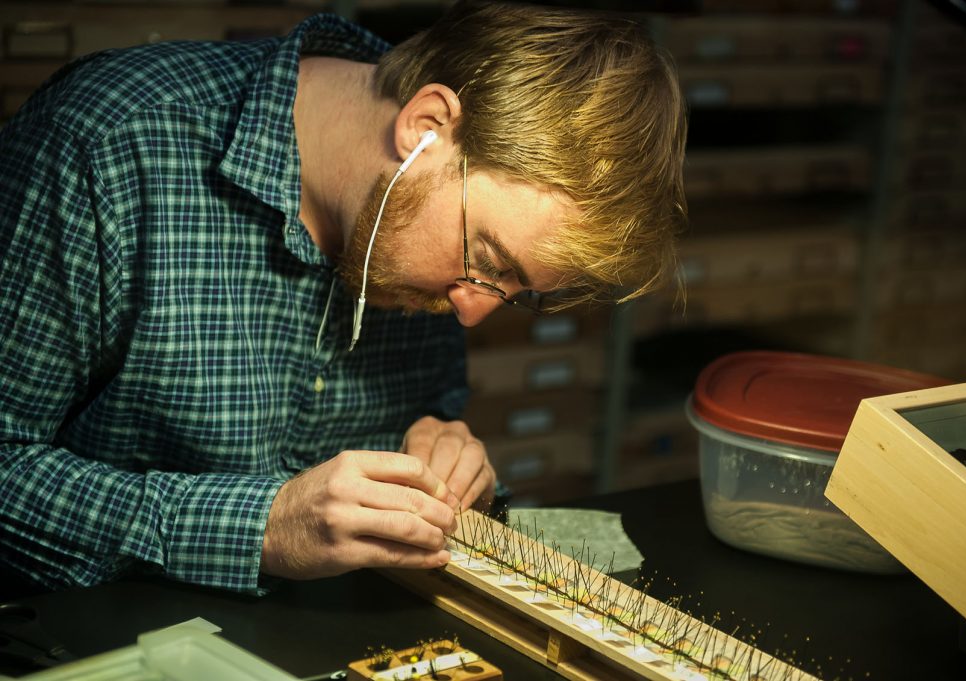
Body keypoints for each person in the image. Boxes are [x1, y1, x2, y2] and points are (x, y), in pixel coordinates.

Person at [0, 1, 687, 595]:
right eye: (486, 261)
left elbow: (390, 445)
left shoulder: (420, 239)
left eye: (517, 293)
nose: (473, 310)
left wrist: (436, 449)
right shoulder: (109, 145)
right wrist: (261, 527)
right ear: (424, 128)